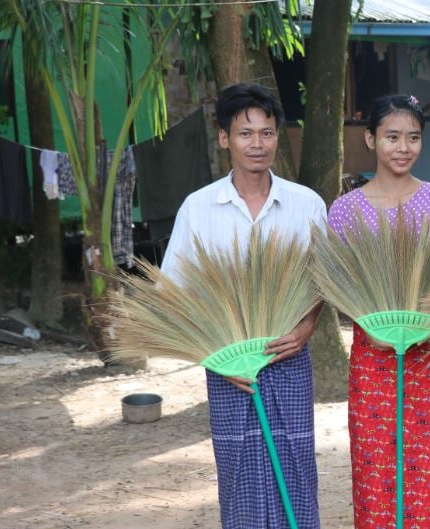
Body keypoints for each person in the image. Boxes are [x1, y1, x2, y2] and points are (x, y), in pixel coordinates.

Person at [160, 83, 326, 529]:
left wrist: (308, 325)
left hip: (288, 356)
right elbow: (173, 293)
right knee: (239, 475)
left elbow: (327, 281)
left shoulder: (306, 204)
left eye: (267, 133)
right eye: (246, 134)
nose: (258, 144)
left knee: (295, 471)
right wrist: (212, 356)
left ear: (278, 136)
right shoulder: (198, 209)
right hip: (227, 364)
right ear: (224, 138)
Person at [326, 95, 430, 529]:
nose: (403, 147)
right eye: (392, 137)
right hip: (373, 359)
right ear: (371, 140)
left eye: (413, 137)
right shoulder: (346, 210)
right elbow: (336, 287)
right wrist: (369, 322)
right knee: (377, 463)